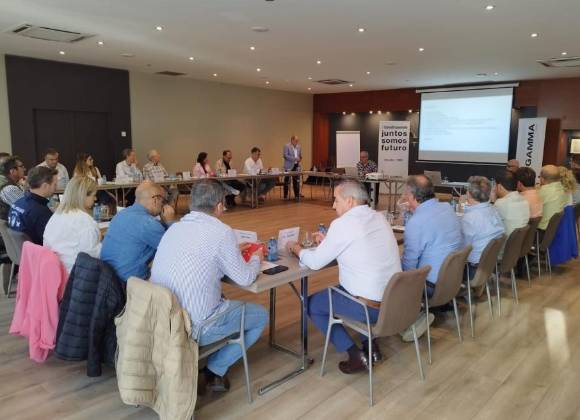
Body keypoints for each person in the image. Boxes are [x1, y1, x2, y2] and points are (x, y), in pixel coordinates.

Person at [151, 179, 267, 392]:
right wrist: (256, 258)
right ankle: (214, 370)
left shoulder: (174, 228)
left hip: (164, 318)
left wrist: (231, 251)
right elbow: (245, 278)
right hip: (195, 326)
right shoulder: (222, 232)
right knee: (261, 316)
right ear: (220, 206)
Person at [288, 180, 401, 373]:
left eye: (336, 200)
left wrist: (297, 249)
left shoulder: (343, 224)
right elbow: (359, 244)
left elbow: (314, 262)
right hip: (392, 301)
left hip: (369, 308)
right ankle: (372, 348)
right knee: (355, 289)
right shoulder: (379, 217)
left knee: (311, 304)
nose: (333, 205)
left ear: (349, 201)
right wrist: (329, 241)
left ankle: (355, 355)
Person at [401, 175, 463, 339]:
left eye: (405, 194)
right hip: (453, 279)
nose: (404, 197)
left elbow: (409, 268)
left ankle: (407, 320)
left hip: (431, 286)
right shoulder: (447, 208)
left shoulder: (416, 222)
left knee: (392, 275)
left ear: (412, 196)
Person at [101, 181, 176, 281]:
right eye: (163, 201)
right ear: (155, 200)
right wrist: (170, 222)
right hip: (129, 283)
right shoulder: (148, 223)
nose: (163, 205)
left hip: (107, 278)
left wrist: (163, 223)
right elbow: (174, 250)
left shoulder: (121, 214)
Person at [43, 176, 102, 273]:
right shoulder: (85, 221)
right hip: (76, 274)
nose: (95, 198)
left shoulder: (56, 215)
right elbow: (92, 256)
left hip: (54, 271)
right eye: (94, 195)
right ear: (83, 196)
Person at [461, 176, 505, 276]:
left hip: (473, 269)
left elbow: (462, 249)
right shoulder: (494, 210)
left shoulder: (470, 218)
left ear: (468, 194)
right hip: (490, 263)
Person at [7, 166, 58, 245]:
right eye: (55, 184)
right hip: (37, 250)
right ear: (45, 186)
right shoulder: (41, 212)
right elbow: (54, 241)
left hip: (19, 249)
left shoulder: (17, 203)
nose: (56, 188)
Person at [538, 165, 576, 230]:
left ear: (542, 179)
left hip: (542, 230)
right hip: (557, 228)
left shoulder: (542, 192)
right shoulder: (565, 190)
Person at [494, 170, 530, 236]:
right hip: (519, 241)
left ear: (499, 186)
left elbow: (489, 224)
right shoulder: (524, 200)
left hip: (505, 241)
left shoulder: (500, 203)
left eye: (495, 186)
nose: (494, 189)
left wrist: (492, 201)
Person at [283, 135, 302, 200]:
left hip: (296, 166)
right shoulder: (286, 146)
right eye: (296, 140)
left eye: (297, 141)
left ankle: (296, 195)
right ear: (292, 140)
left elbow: (300, 155)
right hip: (288, 166)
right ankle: (285, 195)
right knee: (287, 180)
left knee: (296, 181)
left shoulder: (299, 147)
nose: (297, 142)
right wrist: (294, 158)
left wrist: (299, 158)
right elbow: (285, 156)